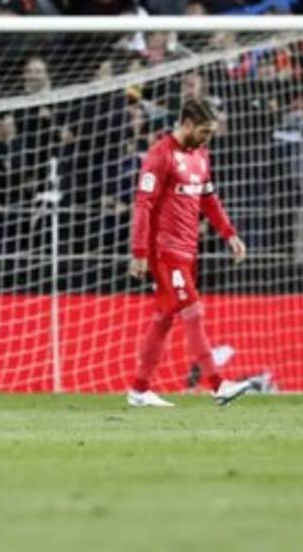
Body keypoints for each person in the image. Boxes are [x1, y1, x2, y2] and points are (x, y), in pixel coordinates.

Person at [126, 98, 254, 408]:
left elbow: (209, 199)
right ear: (186, 124)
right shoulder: (160, 155)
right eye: (204, 131)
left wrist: (230, 234)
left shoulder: (201, 155)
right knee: (192, 310)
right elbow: (143, 204)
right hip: (164, 251)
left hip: (188, 251)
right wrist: (140, 251)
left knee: (164, 318)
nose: (207, 138)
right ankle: (218, 384)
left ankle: (140, 389)